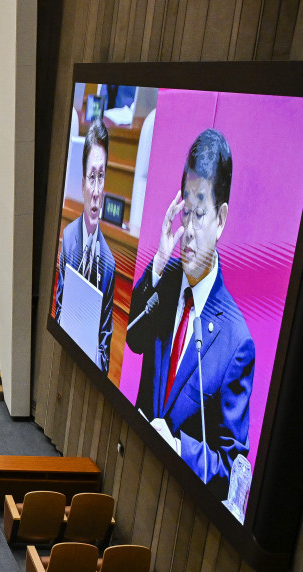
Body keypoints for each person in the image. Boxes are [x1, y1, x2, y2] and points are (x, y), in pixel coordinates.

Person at [126, 129, 253, 500]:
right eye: (187, 212)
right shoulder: (166, 281)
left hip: (178, 504)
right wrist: (159, 263)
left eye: (200, 214)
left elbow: (231, 467)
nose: (189, 231)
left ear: (221, 218)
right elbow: (134, 339)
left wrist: (180, 449)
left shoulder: (236, 341)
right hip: (133, 465)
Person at [54, 118, 116, 373]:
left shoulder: (109, 263)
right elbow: (58, 308)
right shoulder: (68, 239)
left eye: (101, 177)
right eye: (92, 177)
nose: (97, 189)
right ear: (82, 183)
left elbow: (105, 343)